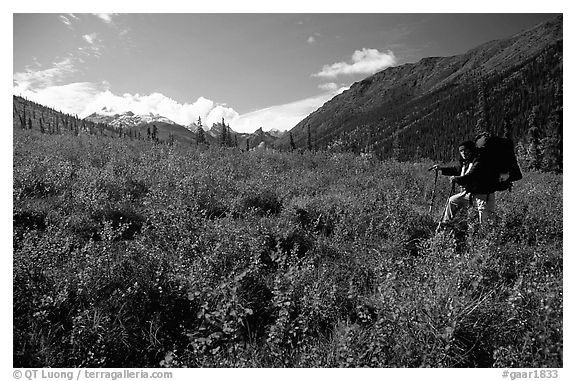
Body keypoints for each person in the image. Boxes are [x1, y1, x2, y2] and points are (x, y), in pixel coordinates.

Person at [430, 140, 496, 230]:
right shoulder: (467, 162)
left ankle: (493, 236)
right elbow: (457, 170)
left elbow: (471, 176)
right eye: (461, 151)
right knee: (452, 201)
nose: (463, 153)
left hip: (483, 195)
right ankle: (446, 225)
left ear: (471, 150)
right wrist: (441, 169)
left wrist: (456, 179)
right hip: (470, 194)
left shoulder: (480, 161)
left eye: (465, 150)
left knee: (485, 222)